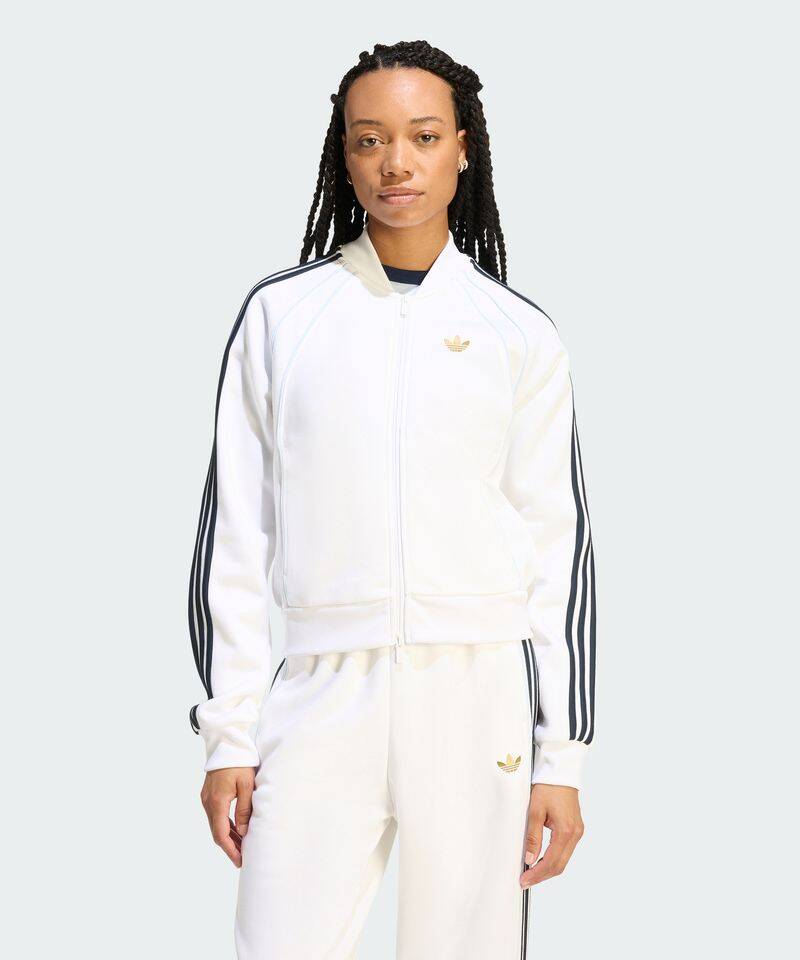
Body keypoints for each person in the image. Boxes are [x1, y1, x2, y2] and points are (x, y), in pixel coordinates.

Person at [187, 39, 597, 960]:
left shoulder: (517, 333)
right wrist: (229, 737)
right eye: (369, 139)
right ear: (345, 155)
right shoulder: (281, 317)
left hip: (478, 692)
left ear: (463, 149)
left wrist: (560, 758)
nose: (396, 163)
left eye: (423, 136)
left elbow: (557, 551)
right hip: (320, 690)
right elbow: (235, 538)